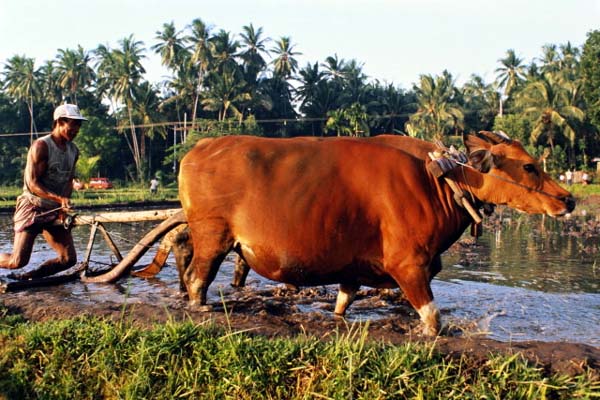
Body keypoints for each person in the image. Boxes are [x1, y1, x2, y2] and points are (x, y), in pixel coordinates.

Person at [0, 104, 86, 279]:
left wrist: (63, 205)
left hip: (54, 209)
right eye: (73, 124)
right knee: (17, 261)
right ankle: (20, 271)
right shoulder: (42, 146)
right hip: (33, 206)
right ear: (60, 122)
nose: (76, 130)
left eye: (78, 125)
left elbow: (68, 181)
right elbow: (33, 183)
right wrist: (58, 198)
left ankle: (29, 277)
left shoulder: (73, 151)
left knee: (68, 259)